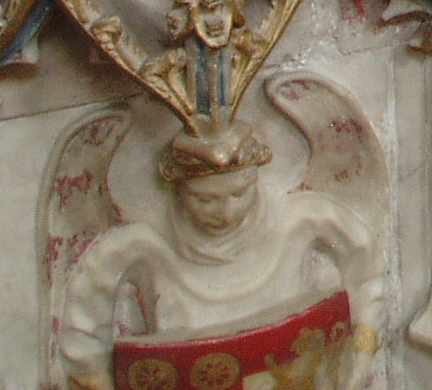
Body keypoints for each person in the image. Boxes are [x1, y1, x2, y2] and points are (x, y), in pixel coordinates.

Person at [60, 125, 382, 390]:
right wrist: (93, 378)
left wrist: (364, 344)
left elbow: (368, 269)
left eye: (239, 193)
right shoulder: (142, 246)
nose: (227, 213)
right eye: (205, 199)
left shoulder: (301, 220)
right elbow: (82, 331)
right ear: (178, 189)